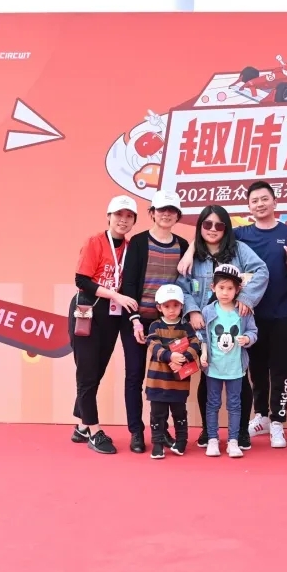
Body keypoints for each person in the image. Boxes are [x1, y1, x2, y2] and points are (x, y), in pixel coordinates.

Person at [178, 182, 287, 448]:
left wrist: (245, 298)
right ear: (200, 227)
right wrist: (193, 310)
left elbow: (262, 271)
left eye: (219, 225)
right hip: (206, 326)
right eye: (207, 224)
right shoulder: (193, 257)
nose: (213, 229)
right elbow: (183, 287)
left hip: (236, 326)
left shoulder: (239, 248)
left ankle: (241, 430)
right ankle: (208, 431)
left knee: (239, 377)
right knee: (207, 378)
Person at [68, 195, 140, 455]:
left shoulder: (131, 248)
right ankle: (94, 430)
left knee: (96, 371)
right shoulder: (95, 242)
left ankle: (81, 426)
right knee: (87, 373)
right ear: (109, 216)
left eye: (129, 216)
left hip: (112, 317)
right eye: (118, 214)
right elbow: (82, 280)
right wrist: (115, 295)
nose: (123, 220)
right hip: (87, 311)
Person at [118, 190, 189, 453]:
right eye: (161, 210)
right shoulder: (138, 242)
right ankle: (136, 432)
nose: (166, 214)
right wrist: (135, 320)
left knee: (169, 377)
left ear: (178, 215)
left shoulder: (183, 245)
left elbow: (186, 283)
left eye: (171, 210)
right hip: (138, 320)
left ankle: (162, 432)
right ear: (152, 213)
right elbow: (129, 283)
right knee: (135, 375)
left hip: (169, 324)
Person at [199, 264, 258, 458]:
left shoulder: (244, 311)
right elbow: (203, 336)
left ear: (238, 290)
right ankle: (212, 439)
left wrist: (247, 339)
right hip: (213, 368)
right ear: (213, 288)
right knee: (212, 403)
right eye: (221, 287)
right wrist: (203, 354)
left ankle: (233, 440)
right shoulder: (208, 311)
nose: (225, 292)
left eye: (230, 288)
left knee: (234, 405)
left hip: (235, 368)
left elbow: (253, 331)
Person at [142, 283, 201, 459]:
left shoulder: (186, 327)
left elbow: (195, 344)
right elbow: (153, 344)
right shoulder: (155, 326)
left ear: (182, 306)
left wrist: (184, 358)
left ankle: (181, 442)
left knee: (179, 413)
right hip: (157, 382)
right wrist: (170, 356)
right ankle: (157, 445)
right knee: (157, 415)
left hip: (179, 383)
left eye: (176, 305)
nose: (171, 310)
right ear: (159, 307)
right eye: (167, 306)